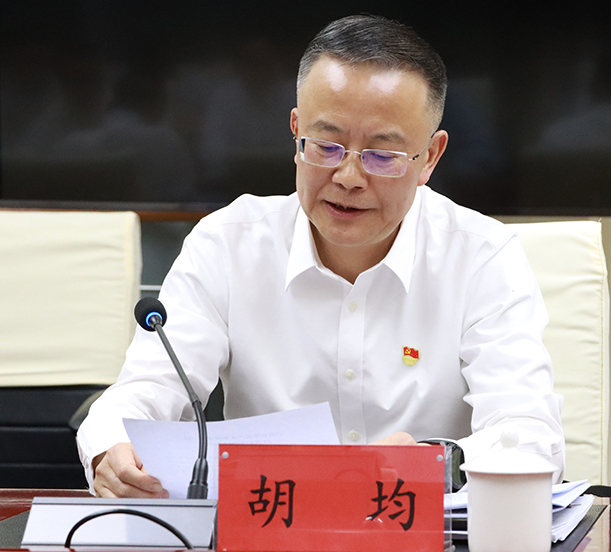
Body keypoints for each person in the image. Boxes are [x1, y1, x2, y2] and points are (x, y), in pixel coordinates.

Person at [77, 14, 564, 498]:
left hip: (426, 524)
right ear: (296, 133)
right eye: (326, 146)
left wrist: (434, 463)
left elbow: (530, 436)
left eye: (382, 155)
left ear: (430, 158)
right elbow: (147, 389)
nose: (349, 177)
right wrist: (111, 449)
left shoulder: (482, 257)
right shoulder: (226, 245)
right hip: (269, 521)